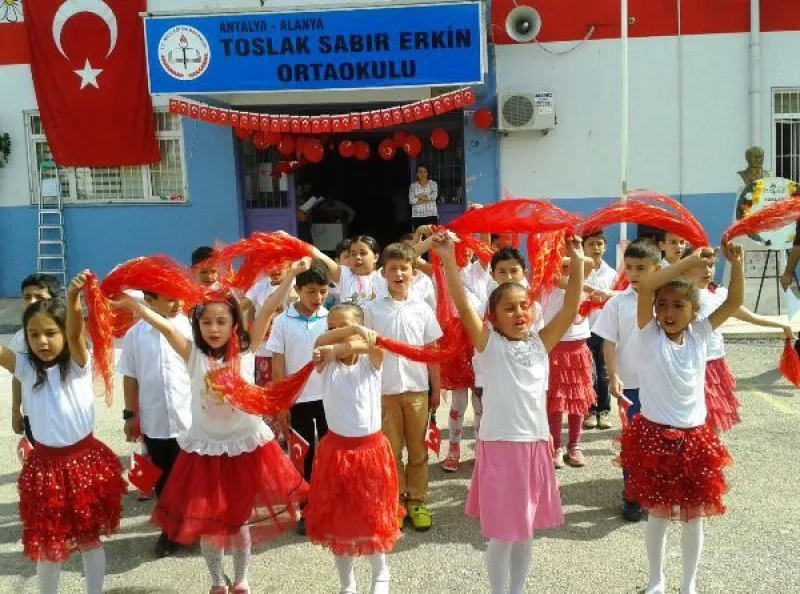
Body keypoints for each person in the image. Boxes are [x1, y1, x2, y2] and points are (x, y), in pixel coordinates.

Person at [112, 284, 308, 594]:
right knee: (208, 521)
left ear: (234, 324)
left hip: (246, 447)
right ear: (196, 325)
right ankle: (217, 580)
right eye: (206, 322)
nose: (214, 329)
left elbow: (269, 307)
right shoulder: (192, 354)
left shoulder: (246, 349)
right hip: (205, 450)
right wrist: (136, 308)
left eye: (221, 322)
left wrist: (291, 276)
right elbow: (161, 324)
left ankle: (242, 579)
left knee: (240, 519)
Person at [434, 232, 585, 594]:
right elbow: (462, 304)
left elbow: (570, 307)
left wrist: (577, 261)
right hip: (501, 446)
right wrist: (448, 258)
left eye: (525, 305)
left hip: (535, 446)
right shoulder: (489, 345)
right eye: (509, 308)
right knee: (503, 535)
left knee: (526, 530)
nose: (520, 313)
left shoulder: (539, 342)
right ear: (494, 316)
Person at [622, 244, 743, 594]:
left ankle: (689, 584)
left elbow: (733, 302)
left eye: (679, 305)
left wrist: (736, 264)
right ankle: (656, 580)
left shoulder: (701, 334)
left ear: (694, 311)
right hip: (654, 437)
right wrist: (688, 262)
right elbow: (647, 287)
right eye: (663, 305)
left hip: (695, 439)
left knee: (694, 520)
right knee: (658, 517)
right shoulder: (648, 335)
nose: (669, 312)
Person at [0, 273, 127, 594]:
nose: (42, 341)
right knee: (48, 544)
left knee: (88, 540)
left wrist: (71, 299)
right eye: (34, 334)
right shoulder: (27, 368)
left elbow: (75, 331)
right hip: (45, 469)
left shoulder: (78, 365)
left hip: (84, 464)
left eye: (50, 333)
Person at [305, 303, 402, 594]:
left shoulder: (370, 359)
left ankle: (380, 571)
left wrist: (354, 339)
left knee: (373, 514)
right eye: (331, 327)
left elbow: (375, 345)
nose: (335, 334)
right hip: (336, 452)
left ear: (362, 328)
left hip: (371, 450)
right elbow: (321, 344)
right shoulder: (325, 360)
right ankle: (347, 582)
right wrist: (348, 334)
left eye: (343, 326)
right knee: (340, 517)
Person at [363, 243, 443, 532]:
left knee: (419, 450)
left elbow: (432, 350)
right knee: (391, 452)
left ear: (413, 273)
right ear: (383, 273)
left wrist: (436, 388)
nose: (399, 273)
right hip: (385, 392)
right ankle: (395, 501)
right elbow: (364, 351)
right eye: (393, 268)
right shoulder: (371, 309)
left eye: (404, 269)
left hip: (417, 391)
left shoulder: (422, 308)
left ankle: (418, 500)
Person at [117, 290, 193, 558]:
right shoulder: (135, 335)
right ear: (148, 302)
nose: (178, 301)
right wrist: (129, 415)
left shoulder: (191, 326)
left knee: (192, 476)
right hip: (156, 421)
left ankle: (194, 525)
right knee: (164, 478)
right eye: (169, 297)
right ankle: (170, 530)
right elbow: (130, 376)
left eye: (178, 295)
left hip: (191, 420)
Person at [684, 248, 793, 431]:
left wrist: (781, 326)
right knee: (690, 420)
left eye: (710, 266)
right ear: (684, 267)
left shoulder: (718, 296)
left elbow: (748, 316)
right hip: (690, 364)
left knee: (712, 420)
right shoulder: (676, 296)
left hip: (715, 365)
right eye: (701, 266)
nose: (707, 271)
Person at [593, 238, 662, 522]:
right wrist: (613, 376)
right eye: (629, 267)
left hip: (661, 386)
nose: (634, 273)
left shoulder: (667, 299)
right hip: (629, 386)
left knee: (661, 440)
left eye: (641, 268)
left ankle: (658, 491)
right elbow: (607, 342)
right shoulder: (618, 303)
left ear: (657, 269)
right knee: (634, 441)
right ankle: (632, 494)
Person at [265, 260, 331, 535]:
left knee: (329, 453)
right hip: (298, 400)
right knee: (304, 455)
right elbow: (278, 364)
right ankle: (307, 507)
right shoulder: (282, 322)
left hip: (329, 398)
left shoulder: (331, 319)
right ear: (299, 289)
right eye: (311, 291)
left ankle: (330, 505)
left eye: (323, 291)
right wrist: (282, 402)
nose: (318, 298)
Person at [542, 255, 597, 469]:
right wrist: (556, 255)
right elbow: (556, 275)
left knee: (578, 401)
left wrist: (574, 255)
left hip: (578, 346)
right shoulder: (548, 275)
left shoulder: (580, 272)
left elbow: (589, 263)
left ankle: (575, 444)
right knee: (555, 402)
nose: (566, 267)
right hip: (555, 346)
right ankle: (555, 446)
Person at [10, 273, 62, 446]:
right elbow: (17, 376)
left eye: (39, 296)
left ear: (53, 301)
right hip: (32, 415)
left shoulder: (66, 335)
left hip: (64, 415)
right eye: (27, 297)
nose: (32, 301)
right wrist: (15, 410)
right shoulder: (19, 338)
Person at [582, 232, 617, 430]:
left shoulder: (611, 274)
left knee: (603, 371)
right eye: (591, 244)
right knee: (587, 372)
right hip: (584, 328)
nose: (595, 248)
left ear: (605, 247)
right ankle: (589, 409)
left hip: (604, 329)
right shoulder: (579, 272)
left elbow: (615, 300)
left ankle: (604, 410)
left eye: (599, 244)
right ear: (584, 248)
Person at [316, 236, 381, 305]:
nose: (358, 257)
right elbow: (320, 257)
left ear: (376, 257)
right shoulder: (345, 275)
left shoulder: (383, 278)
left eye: (363, 253)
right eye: (353, 254)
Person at [409, 163, 439, 230]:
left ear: (428, 173)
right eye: (420, 172)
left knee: (432, 237)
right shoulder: (413, 186)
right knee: (420, 237)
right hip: (417, 216)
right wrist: (427, 198)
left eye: (425, 172)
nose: (422, 174)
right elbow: (411, 200)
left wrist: (418, 196)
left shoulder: (433, 184)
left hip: (431, 214)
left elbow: (434, 196)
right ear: (416, 174)